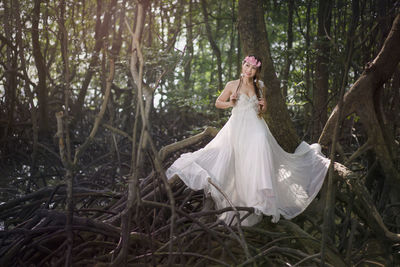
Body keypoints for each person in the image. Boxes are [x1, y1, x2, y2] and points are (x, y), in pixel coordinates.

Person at [166, 55, 330, 226]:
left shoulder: (259, 86)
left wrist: (263, 104)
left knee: (261, 146)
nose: (249, 70)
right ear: (242, 65)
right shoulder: (232, 85)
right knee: (241, 161)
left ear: (256, 71)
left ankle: (262, 196)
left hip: (256, 125)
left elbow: (263, 109)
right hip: (237, 126)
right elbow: (218, 102)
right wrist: (231, 103)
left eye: (253, 68)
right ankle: (247, 198)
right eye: (246, 66)